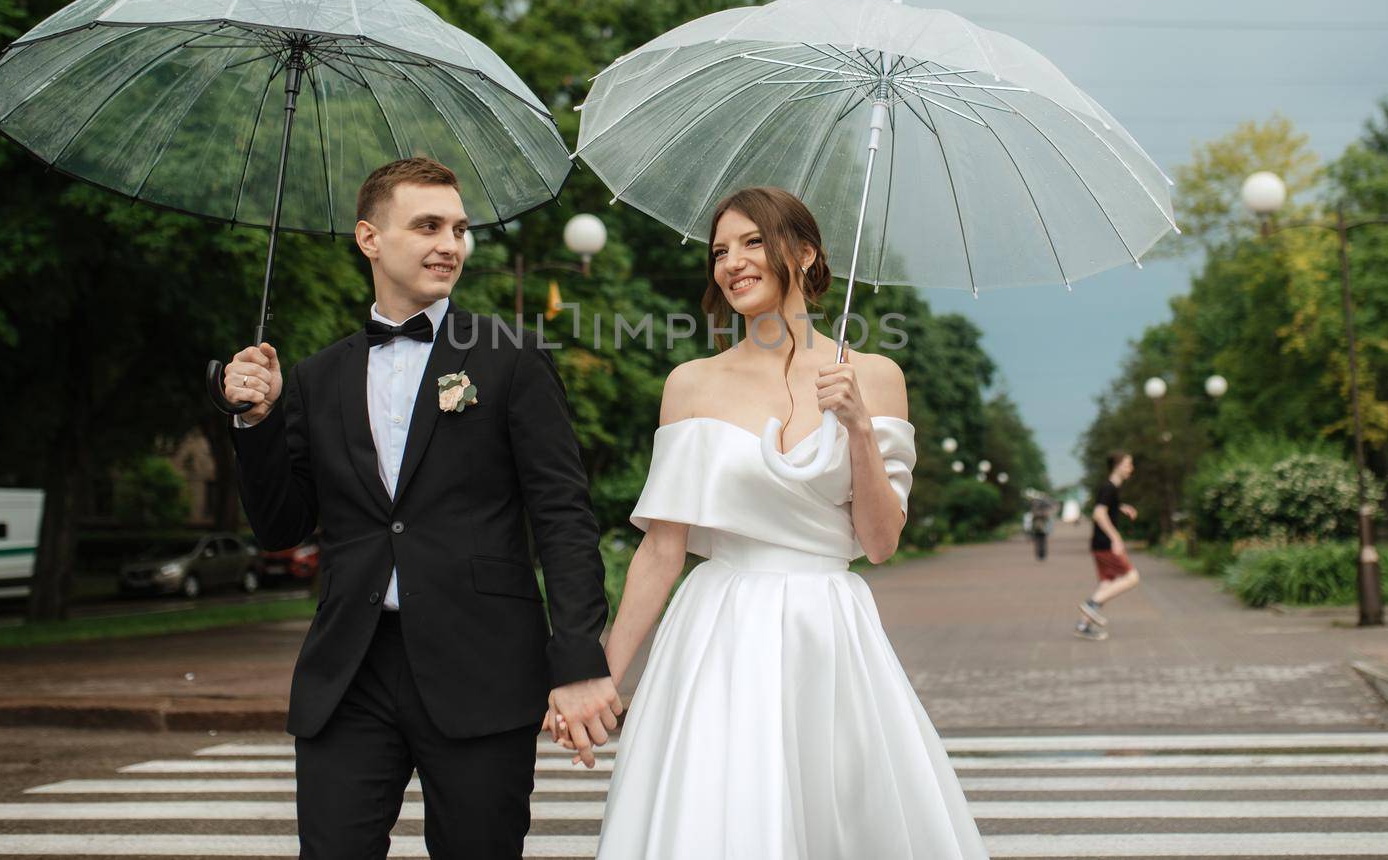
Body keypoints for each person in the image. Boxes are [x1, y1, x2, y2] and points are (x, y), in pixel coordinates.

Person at [567, 186, 988, 859]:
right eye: (719, 250)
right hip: (718, 629)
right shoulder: (691, 383)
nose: (732, 261)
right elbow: (659, 552)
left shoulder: (874, 377)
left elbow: (880, 544)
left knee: (839, 818)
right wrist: (601, 677)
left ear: (804, 253)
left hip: (828, 628)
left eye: (752, 242)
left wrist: (856, 430)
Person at [219, 158, 620, 859]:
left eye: (459, 229)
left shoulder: (512, 359)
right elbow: (282, 526)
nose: (450, 244)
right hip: (350, 670)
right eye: (427, 226)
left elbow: (563, 517)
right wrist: (255, 421)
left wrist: (578, 658)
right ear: (370, 238)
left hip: (482, 667)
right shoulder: (315, 377)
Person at [1076, 450, 1141, 640]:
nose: (1131, 468)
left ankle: (1083, 625)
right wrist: (1116, 538)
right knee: (1132, 577)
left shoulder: (1111, 488)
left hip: (1099, 544)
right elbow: (1098, 513)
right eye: (1128, 464)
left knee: (1107, 585)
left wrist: (1121, 507)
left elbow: (1105, 506)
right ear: (1118, 465)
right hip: (1105, 544)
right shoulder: (1109, 487)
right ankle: (1090, 605)